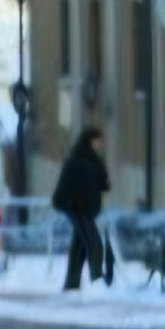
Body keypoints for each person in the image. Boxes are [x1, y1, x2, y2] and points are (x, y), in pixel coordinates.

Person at [51, 125, 111, 292]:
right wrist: (72, 202)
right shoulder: (77, 160)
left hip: (87, 209)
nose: (101, 145)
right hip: (77, 207)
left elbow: (104, 185)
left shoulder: (95, 160)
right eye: (98, 141)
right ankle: (97, 281)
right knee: (94, 243)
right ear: (90, 141)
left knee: (79, 246)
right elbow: (65, 188)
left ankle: (72, 284)